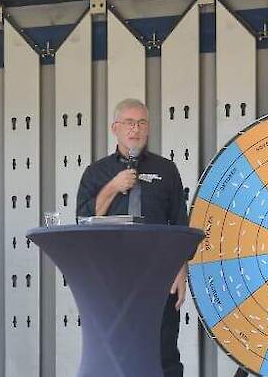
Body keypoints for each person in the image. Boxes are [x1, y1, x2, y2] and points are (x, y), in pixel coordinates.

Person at [76, 98, 189, 377]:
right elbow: (83, 220)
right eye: (129, 122)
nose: (135, 129)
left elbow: (179, 224)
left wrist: (181, 269)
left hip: (159, 275)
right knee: (114, 352)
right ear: (115, 128)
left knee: (164, 354)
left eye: (141, 123)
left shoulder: (166, 170)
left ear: (148, 129)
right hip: (111, 277)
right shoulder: (96, 173)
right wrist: (113, 187)